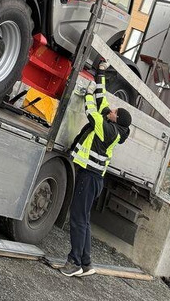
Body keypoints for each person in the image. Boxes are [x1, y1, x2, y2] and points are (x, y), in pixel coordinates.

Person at [61, 74, 132, 277]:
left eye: (114, 111)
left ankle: (74, 262)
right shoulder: (114, 126)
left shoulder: (107, 130)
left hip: (89, 178)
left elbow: (92, 111)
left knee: (77, 219)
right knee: (83, 220)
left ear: (115, 119)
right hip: (93, 178)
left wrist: (88, 94)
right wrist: (100, 76)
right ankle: (86, 263)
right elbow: (103, 101)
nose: (111, 110)